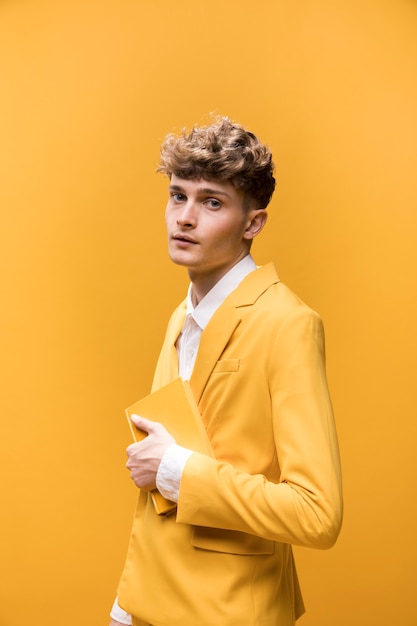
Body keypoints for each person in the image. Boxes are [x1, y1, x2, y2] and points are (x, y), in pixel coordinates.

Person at [109, 116, 343, 626]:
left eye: (211, 202)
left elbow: (317, 514)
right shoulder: (182, 313)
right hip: (151, 602)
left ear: (253, 223)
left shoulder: (289, 324)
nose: (185, 218)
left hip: (234, 612)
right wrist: (127, 604)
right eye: (178, 196)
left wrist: (176, 470)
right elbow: (161, 483)